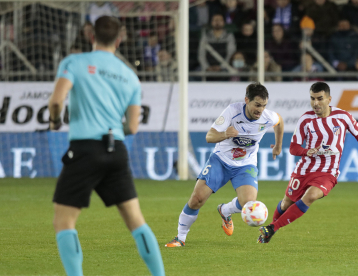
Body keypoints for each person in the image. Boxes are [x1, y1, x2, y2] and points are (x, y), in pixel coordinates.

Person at [48, 16, 165, 276]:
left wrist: (55, 121)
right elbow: (133, 127)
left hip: (84, 150)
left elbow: (56, 101)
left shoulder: (74, 62)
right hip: (116, 150)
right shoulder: (130, 76)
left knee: (64, 221)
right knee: (136, 221)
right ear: (119, 40)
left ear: (91, 36)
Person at [257, 81, 358, 244]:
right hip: (304, 170)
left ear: (329, 99)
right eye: (312, 98)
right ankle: (270, 230)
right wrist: (306, 151)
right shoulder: (306, 120)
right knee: (287, 203)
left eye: (320, 98)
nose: (316, 103)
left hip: (328, 172)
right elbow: (293, 148)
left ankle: (272, 228)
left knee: (311, 196)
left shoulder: (343, 117)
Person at [165, 82, 284, 247]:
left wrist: (278, 145)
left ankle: (225, 211)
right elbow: (209, 137)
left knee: (248, 202)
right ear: (246, 100)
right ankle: (180, 238)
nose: (260, 110)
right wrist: (224, 134)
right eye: (257, 105)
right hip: (220, 161)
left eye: (263, 106)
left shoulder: (267, 117)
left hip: (245, 165)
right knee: (197, 199)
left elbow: (279, 122)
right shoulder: (232, 112)